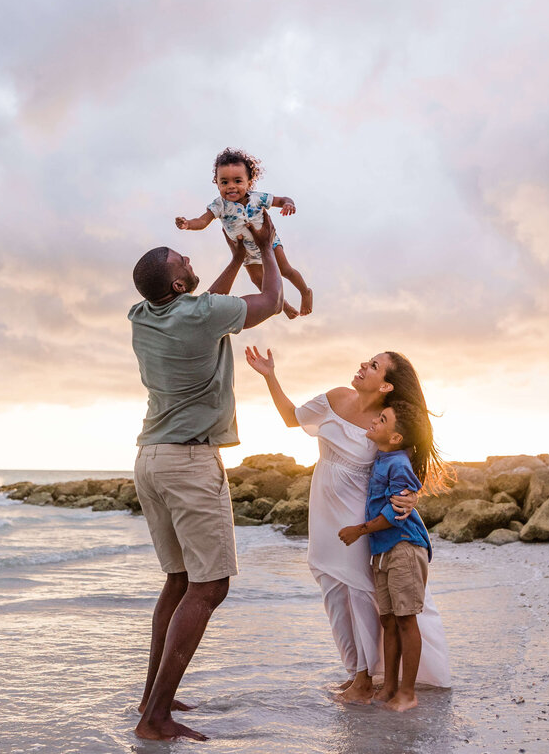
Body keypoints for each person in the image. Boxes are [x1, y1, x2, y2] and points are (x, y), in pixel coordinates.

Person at [129, 213, 283, 741]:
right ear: (177, 283)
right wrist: (265, 253)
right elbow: (272, 304)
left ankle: (155, 697)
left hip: (150, 459)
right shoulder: (197, 314)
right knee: (209, 585)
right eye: (183, 261)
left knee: (177, 580)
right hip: (191, 463)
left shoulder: (141, 314)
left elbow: (205, 308)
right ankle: (155, 717)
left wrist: (236, 259)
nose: (191, 259)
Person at [245, 346, 451, 703]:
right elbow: (293, 417)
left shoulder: (390, 418)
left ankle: (367, 680)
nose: (363, 366)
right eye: (368, 361)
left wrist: (411, 497)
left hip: (359, 517)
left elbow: (405, 465)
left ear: (387, 385)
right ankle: (355, 670)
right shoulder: (334, 398)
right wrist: (269, 375)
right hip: (324, 510)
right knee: (333, 591)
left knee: (360, 592)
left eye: (374, 366)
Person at [338, 400, 437, 712]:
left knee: (406, 620)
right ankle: (390, 686)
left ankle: (408, 693)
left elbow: (396, 512)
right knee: (388, 621)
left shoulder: (398, 465)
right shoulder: (382, 457)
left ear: (395, 438)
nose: (374, 422)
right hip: (382, 552)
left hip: (404, 548)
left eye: (381, 420)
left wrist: (360, 530)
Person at [175, 147, 313, 319]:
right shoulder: (219, 205)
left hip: (268, 242)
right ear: (217, 183)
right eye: (224, 182)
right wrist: (188, 224)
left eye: (238, 181)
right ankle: (282, 304)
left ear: (249, 182)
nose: (231, 186)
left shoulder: (257, 198)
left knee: (285, 270)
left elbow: (282, 199)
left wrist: (288, 204)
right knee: (257, 280)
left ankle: (305, 291)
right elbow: (203, 221)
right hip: (246, 251)